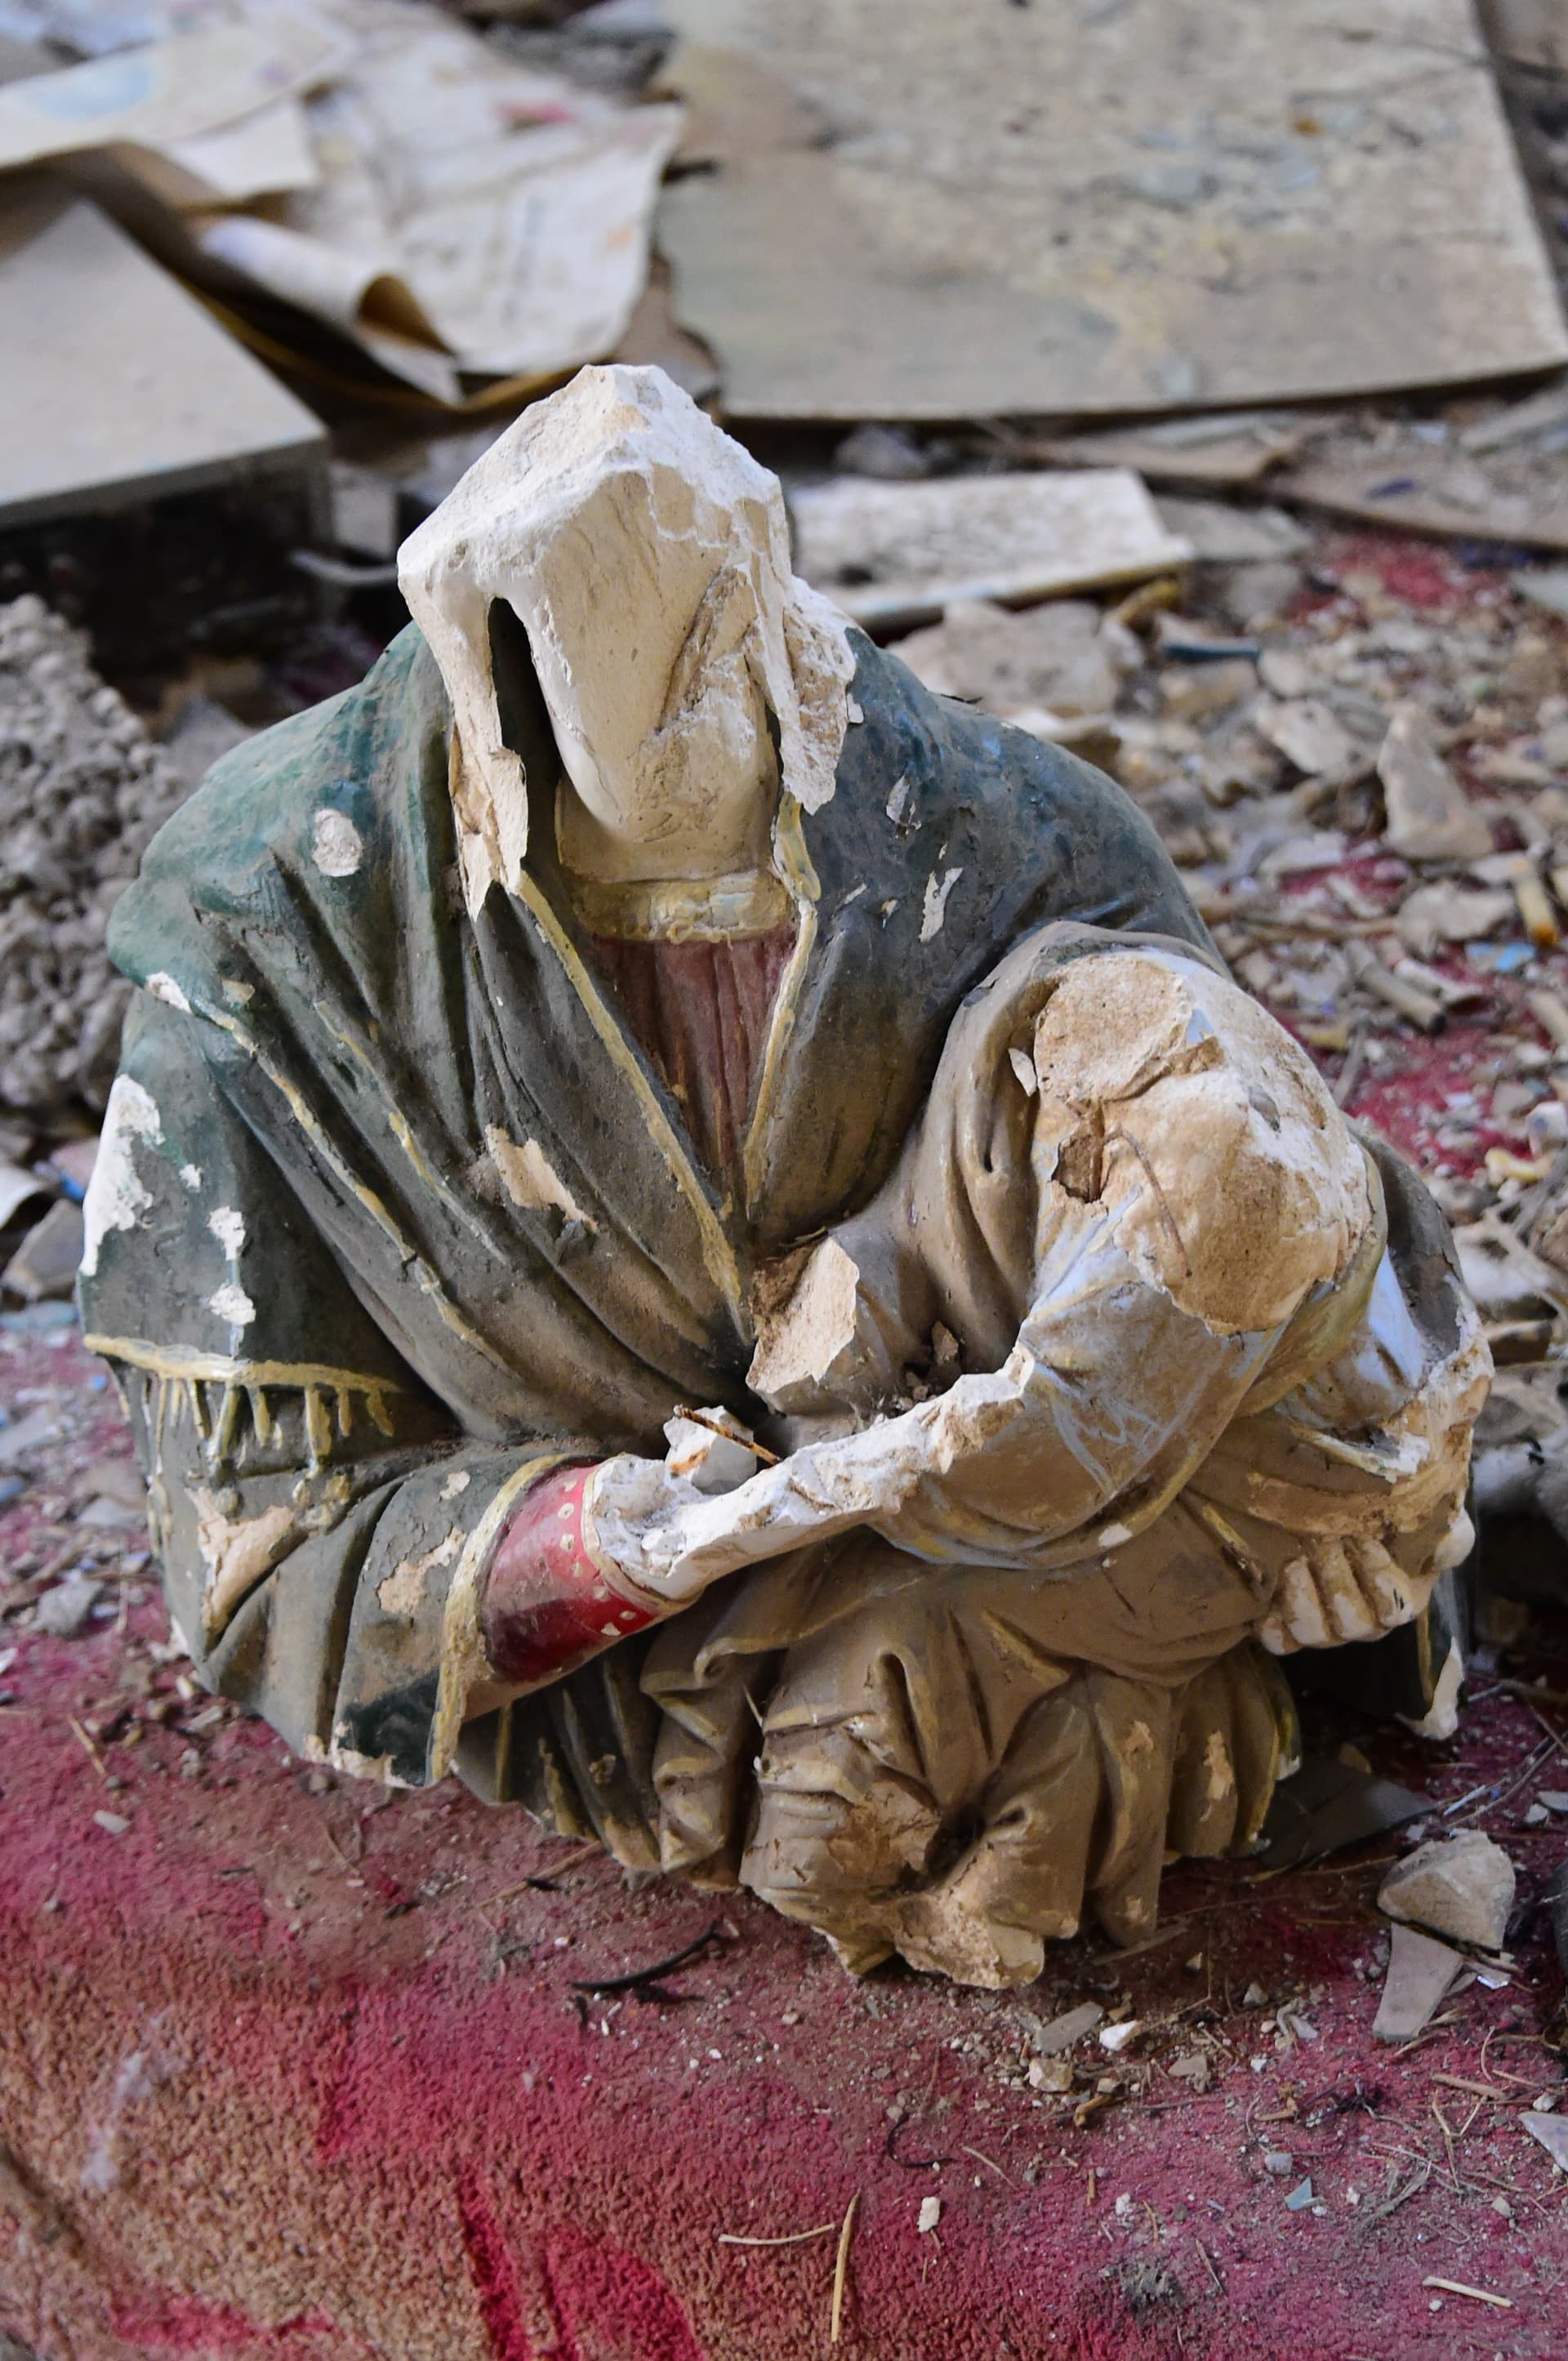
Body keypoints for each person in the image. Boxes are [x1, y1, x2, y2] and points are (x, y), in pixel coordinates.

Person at [79, 367, 1486, 1985]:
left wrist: (1369, 1438)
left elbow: (1256, 1181)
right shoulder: (277, 936)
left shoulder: (1004, 836)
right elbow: (262, 1562)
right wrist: (616, 1546)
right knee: (891, 1756)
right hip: (652, 1654)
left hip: (1044, 1523)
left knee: (1141, 1649)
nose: (721, 950)